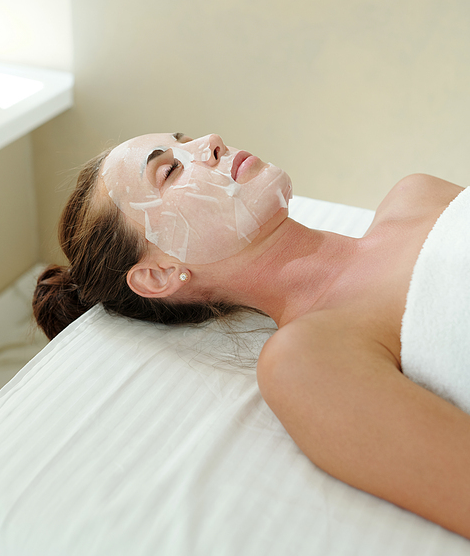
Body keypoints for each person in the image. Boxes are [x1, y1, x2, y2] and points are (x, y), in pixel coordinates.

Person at [33, 132, 470, 540]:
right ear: (159, 275)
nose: (211, 143)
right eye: (169, 170)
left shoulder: (419, 196)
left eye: (187, 139)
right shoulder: (306, 359)